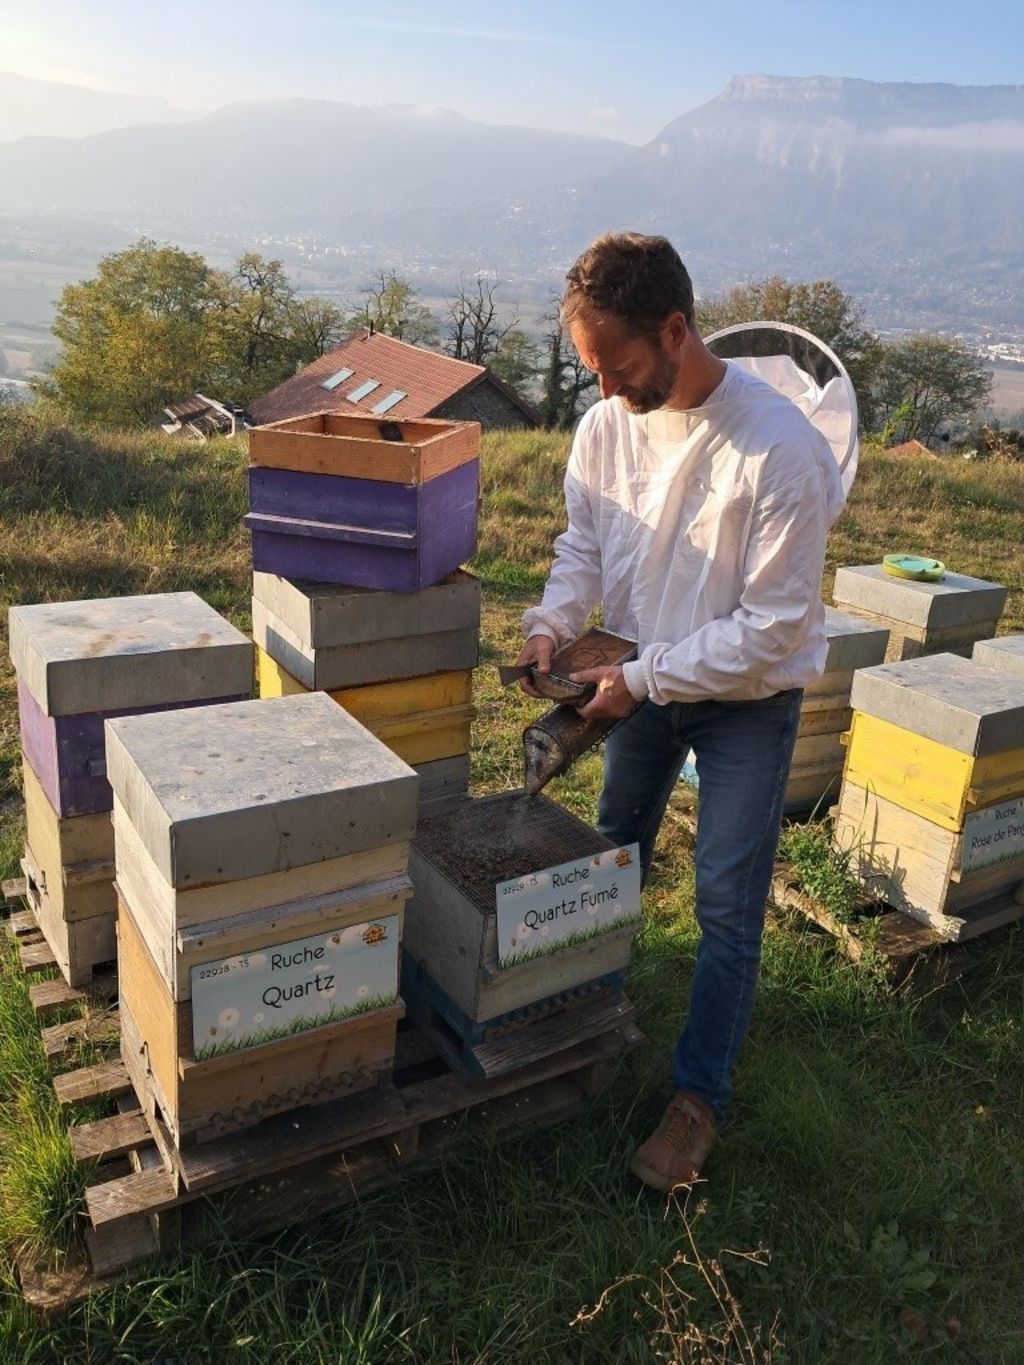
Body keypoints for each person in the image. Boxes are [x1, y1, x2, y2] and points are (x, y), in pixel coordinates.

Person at [516, 232, 846, 1191]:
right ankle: (586, 1014)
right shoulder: (604, 427)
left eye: (619, 366)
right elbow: (585, 546)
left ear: (674, 330)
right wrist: (550, 625)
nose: (609, 389)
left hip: (743, 703)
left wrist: (647, 679)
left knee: (728, 905)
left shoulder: (777, 449)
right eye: (592, 371)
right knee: (615, 844)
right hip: (640, 678)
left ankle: (696, 1098)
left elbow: (776, 628)